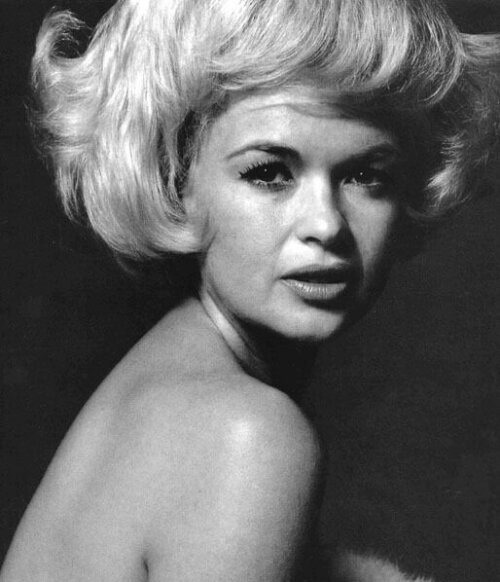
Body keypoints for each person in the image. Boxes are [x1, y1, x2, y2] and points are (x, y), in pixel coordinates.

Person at [1, 0, 499, 580]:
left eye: (366, 175)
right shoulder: (247, 436)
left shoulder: (166, 380)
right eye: (269, 173)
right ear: (177, 180)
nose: (326, 225)